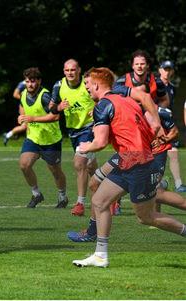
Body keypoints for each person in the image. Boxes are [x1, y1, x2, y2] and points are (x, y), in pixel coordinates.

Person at [72, 67, 186, 268]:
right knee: (99, 201)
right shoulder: (122, 96)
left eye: (87, 84)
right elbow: (145, 97)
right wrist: (157, 123)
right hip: (132, 159)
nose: (87, 89)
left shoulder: (103, 106)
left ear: (97, 85)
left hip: (137, 162)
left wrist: (84, 147)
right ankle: (100, 255)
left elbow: (99, 142)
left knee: (146, 217)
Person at [50, 59, 98, 216]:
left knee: (79, 163)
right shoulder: (59, 85)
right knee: (90, 167)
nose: (70, 72)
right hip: (73, 132)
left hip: (90, 128)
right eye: (67, 70)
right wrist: (58, 107)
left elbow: (104, 96)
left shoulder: (87, 83)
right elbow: (50, 107)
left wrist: (98, 108)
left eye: (73, 70)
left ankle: (80, 204)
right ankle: (112, 196)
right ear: (64, 71)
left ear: (79, 70)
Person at [17, 67, 68, 208]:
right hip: (33, 138)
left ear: (39, 81)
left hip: (51, 140)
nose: (30, 84)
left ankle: (62, 197)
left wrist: (33, 118)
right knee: (24, 165)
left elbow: (55, 115)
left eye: (33, 81)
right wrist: (21, 117)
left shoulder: (45, 96)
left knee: (55, 171)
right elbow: (22, 106)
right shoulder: (23, 93)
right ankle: (36, 194)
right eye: (27, 81)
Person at [159, 60, 186, 192]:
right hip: (155, 126)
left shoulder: (172, 88)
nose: (167, 72)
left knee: (173, 153)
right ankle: (160, 181)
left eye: (170, 69)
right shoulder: (154, 85)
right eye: (165, 69)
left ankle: (178, 184)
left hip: (168, 125)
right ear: (160, 70)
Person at [3, 80, 28, 145]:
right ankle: (8, 135)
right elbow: (15, 94)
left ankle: (8, 135)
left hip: (30, 106)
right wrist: (26, 100)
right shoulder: (23, 83)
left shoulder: (34, 83)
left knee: (27, 126)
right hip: (24, 107)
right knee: (25, 126)